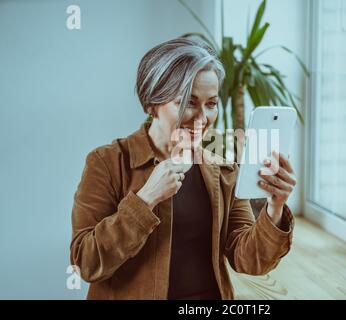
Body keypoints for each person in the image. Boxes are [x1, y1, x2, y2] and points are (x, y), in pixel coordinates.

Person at [70, 38, 297, 300]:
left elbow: (247, 259)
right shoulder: (107, 162)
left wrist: (275, 207)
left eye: (211, 104)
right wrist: (145, 200)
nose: (203, 119)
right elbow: (85, 263)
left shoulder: (221, 158)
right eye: (188, 102)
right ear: (152, 104)